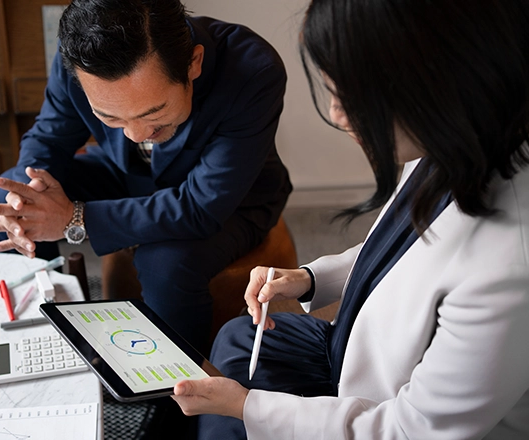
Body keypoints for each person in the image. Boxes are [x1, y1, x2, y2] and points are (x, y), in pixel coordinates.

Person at [171, 0, 529, 438]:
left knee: (230, 412)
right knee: (237, 339)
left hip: (389, 412)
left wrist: (247, 408)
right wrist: (308, 278)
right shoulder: (457, 144)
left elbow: (409, 429)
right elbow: (402, 252)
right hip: (362, 352)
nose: (338, 115)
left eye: (349, 94)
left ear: (438, 81)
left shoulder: (510, 266)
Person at [0, 0, 292, 353]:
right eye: (111, 118)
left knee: (165, 264)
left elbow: (200, 207)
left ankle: (174, 390)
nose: (135, 135)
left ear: (194, 63)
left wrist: (73, 218)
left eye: (153, 113)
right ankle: (42, 329)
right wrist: (30, 196)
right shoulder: (80, 58)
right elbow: (49, 138)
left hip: (232, 201)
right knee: (6, 197)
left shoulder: (252, 68)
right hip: (128, 174)